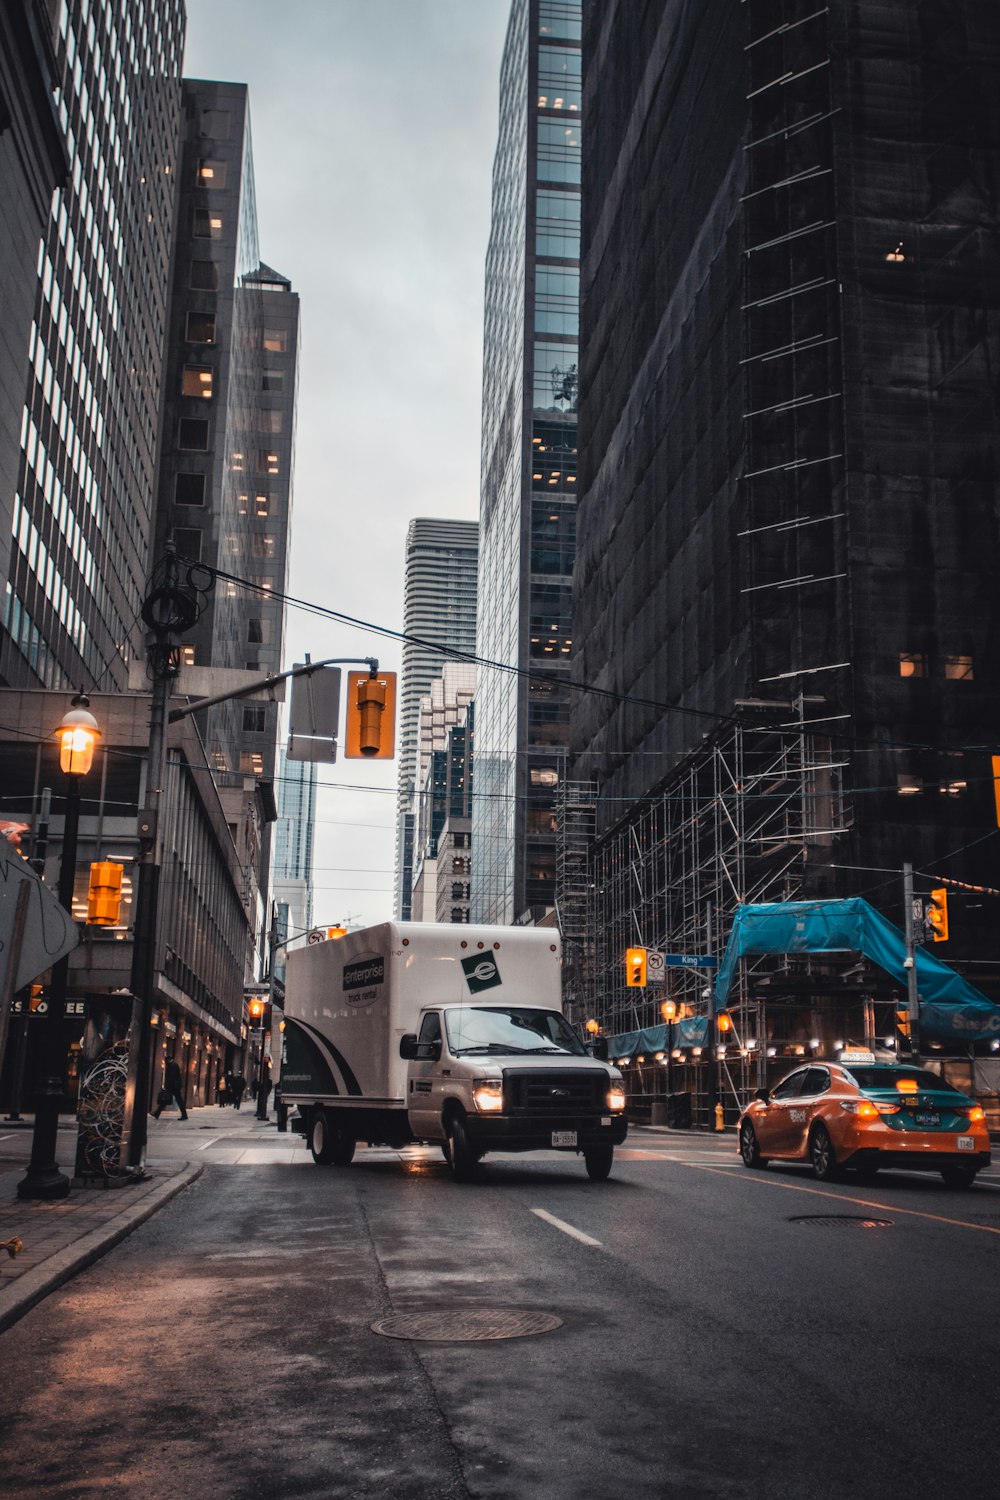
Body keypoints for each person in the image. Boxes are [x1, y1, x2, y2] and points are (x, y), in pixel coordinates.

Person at [152, 1055, 188, 1120]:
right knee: (167, 1099)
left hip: (173, 1087)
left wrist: (169, 1086)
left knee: (173, 1100)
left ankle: (184, 1115)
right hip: (174, 1086)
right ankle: (157, 1113)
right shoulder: (172, 1065)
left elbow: (172, 1077)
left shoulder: (173, 1065)